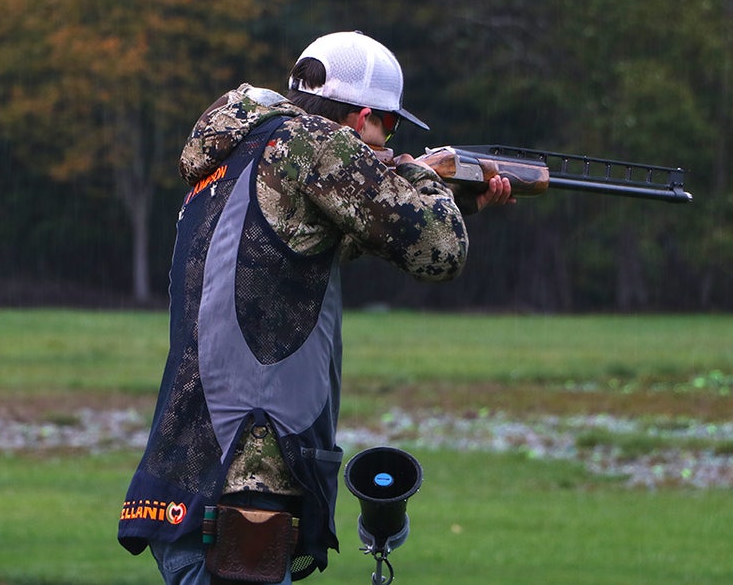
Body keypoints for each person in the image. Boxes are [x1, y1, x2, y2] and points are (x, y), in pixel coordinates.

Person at [118, 31, 511, 584]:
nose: (387, 141)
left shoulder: (244, 152)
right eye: (389, 127)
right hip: (245, 485)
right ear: (361, 119)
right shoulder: (315, 145)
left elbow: (315, 248)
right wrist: (425, 179)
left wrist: (454, 196)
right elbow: (439, 251)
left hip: (188, 472)